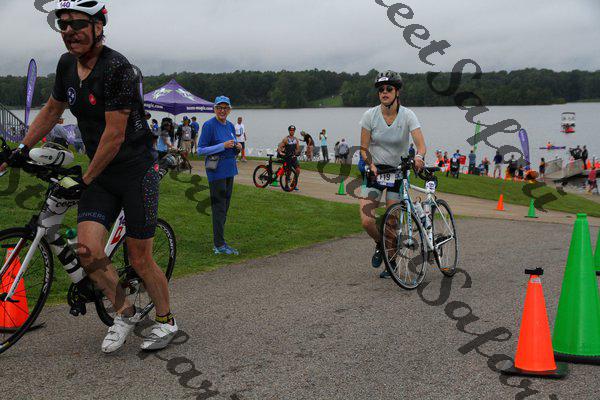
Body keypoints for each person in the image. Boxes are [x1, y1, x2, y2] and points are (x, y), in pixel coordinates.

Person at [0, 0, 177, 353]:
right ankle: (125, 313)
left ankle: (166, 320)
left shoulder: (118, 69)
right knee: (87, 250)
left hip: (136, 171)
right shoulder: (67, 64)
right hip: (102, 173)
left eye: (78, 24)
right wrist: (21, 148)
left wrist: (84, 180)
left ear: (98, 27)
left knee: (140, 258)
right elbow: (52, 109)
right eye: (63, 25)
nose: (69, 32)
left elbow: (114, 135)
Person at [359, 70, 425, 279]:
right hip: (376, 172)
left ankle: (391, 262)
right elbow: (363, 148)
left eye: (389, 89)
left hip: (398, 173)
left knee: (391, 222)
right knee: (367, 221)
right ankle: (380, 243)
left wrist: (419, 157)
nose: (384, 92)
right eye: (381, 90)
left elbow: (421, 145)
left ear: (397, 92)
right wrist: (370, 164)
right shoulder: (370, 116)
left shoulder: (408, 115)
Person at [197, 96, 241, 255]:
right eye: (219, 107)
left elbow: (232, 148)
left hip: (229, 170)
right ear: (214, 109)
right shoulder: (209, 125)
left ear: (229, 110)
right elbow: (200, 150)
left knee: (225, 207)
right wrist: (222, 145)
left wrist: (237, 147)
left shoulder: (230, 125)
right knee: (219, 208)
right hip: (216, 172)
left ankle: (221, 241)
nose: (222, 111)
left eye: (225, 108)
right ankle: (219, 245)